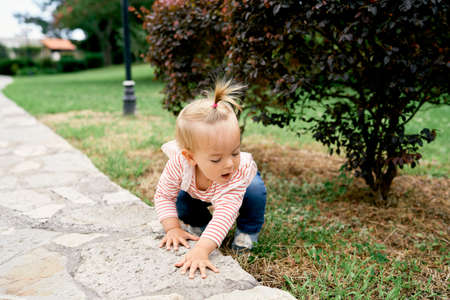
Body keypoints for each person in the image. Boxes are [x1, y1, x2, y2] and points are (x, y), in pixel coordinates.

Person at [154, 78, 267, 279]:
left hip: (243, 187)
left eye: (235, 152)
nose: (229, 164)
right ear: (190, 156)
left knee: (255, 192)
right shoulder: (179, 164)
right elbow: (164, 196)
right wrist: (172, 228)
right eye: (216, 159)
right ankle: (200, 224)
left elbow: (225, 213)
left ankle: (248, 231)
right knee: (182, 200)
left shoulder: (237, 171)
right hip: (198, 190)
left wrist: (202, 250)